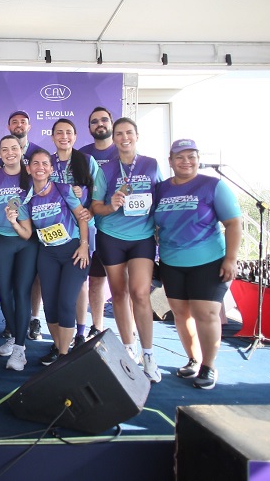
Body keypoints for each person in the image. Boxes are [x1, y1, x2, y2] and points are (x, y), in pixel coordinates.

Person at [154, 139, 241, 390]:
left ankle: (209, 365)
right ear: (170, 161)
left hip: (208, 261)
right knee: (180, 314)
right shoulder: (160, 189)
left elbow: (233, 224)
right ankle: (193, 359)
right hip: (171, 261)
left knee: (206, 313)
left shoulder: (213, 186)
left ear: (198, 159)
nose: (186, 161)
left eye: (191, 156)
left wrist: (231, 259)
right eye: (179, 157)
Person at [91, 117, 164, 383]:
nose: (124, 137)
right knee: (119, 293)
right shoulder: (106, 169)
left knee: (140, 294)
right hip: (111, 236)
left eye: (129, 133)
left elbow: (161, 199)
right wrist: (111, 205)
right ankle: (129, 349)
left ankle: (149, 353)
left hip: (142, 237)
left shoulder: (151, 164)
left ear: (136, 136)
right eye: (119, 133)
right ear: (114, 137)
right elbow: (95, 207)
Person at [10, 149, 91, 364]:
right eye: (35, 163)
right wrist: (13, 222)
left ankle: (64, 357)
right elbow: (27, 234)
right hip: (47, 254)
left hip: (73, 251)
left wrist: (84, 246)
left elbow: (82, 217)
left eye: (45, 163)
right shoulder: (26, 198)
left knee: (66, 302)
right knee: (51, 305)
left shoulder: (63, 190)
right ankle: (58, 347)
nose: (40, 168)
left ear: (51, 169)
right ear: (28, 169)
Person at [0, 135, 38, 371]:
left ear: (21, 150)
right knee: (4, 293)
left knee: (22, 292)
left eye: (14, 148)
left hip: (27, 242)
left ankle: (20, 348)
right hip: (1, 241)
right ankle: (15, 336)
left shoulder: (32, 175)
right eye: (4, 149)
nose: (9, 153)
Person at [48, 118, 98, 350]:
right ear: (52, 137)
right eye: (59, 132)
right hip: (53, 233)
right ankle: (59, 337)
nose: (64, 136)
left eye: (68, 132)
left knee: (79, 285)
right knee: (55, 286)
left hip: (81, 231)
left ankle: (79, 331)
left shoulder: (86, 161)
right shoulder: (47, 162)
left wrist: (84, 191)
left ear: (75, 136)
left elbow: (99, 195)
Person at [79, 107, 121, 340]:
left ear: (111, 124)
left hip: (120, 231)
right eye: (94, 121)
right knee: (94, 280)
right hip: (91, 228)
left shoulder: (124, 153)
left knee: (121, 286)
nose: (100, 124)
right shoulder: (83, 155)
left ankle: (129, 337)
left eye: (104, 120)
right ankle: (95, 326)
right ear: (89, 128)